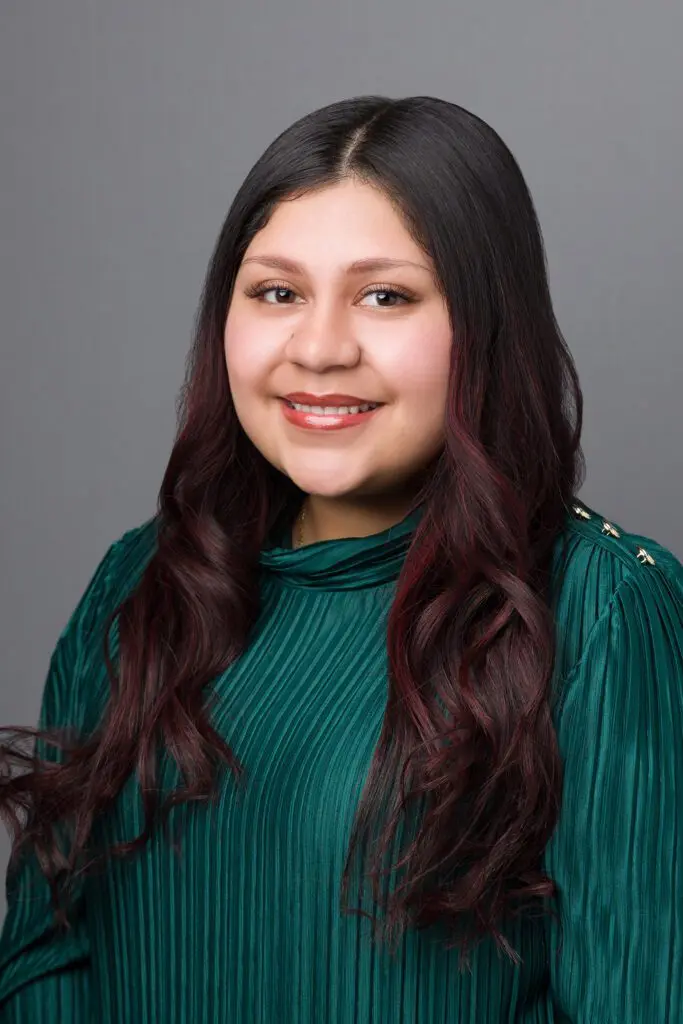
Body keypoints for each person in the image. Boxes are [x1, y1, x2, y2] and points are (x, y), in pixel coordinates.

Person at [0, 94, 681, 1024]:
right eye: (277, 292)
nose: (318, 349)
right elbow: (46, 954)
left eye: (385, 295)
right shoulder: (144, 582)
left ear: (485, 327)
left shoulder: (602, 610)